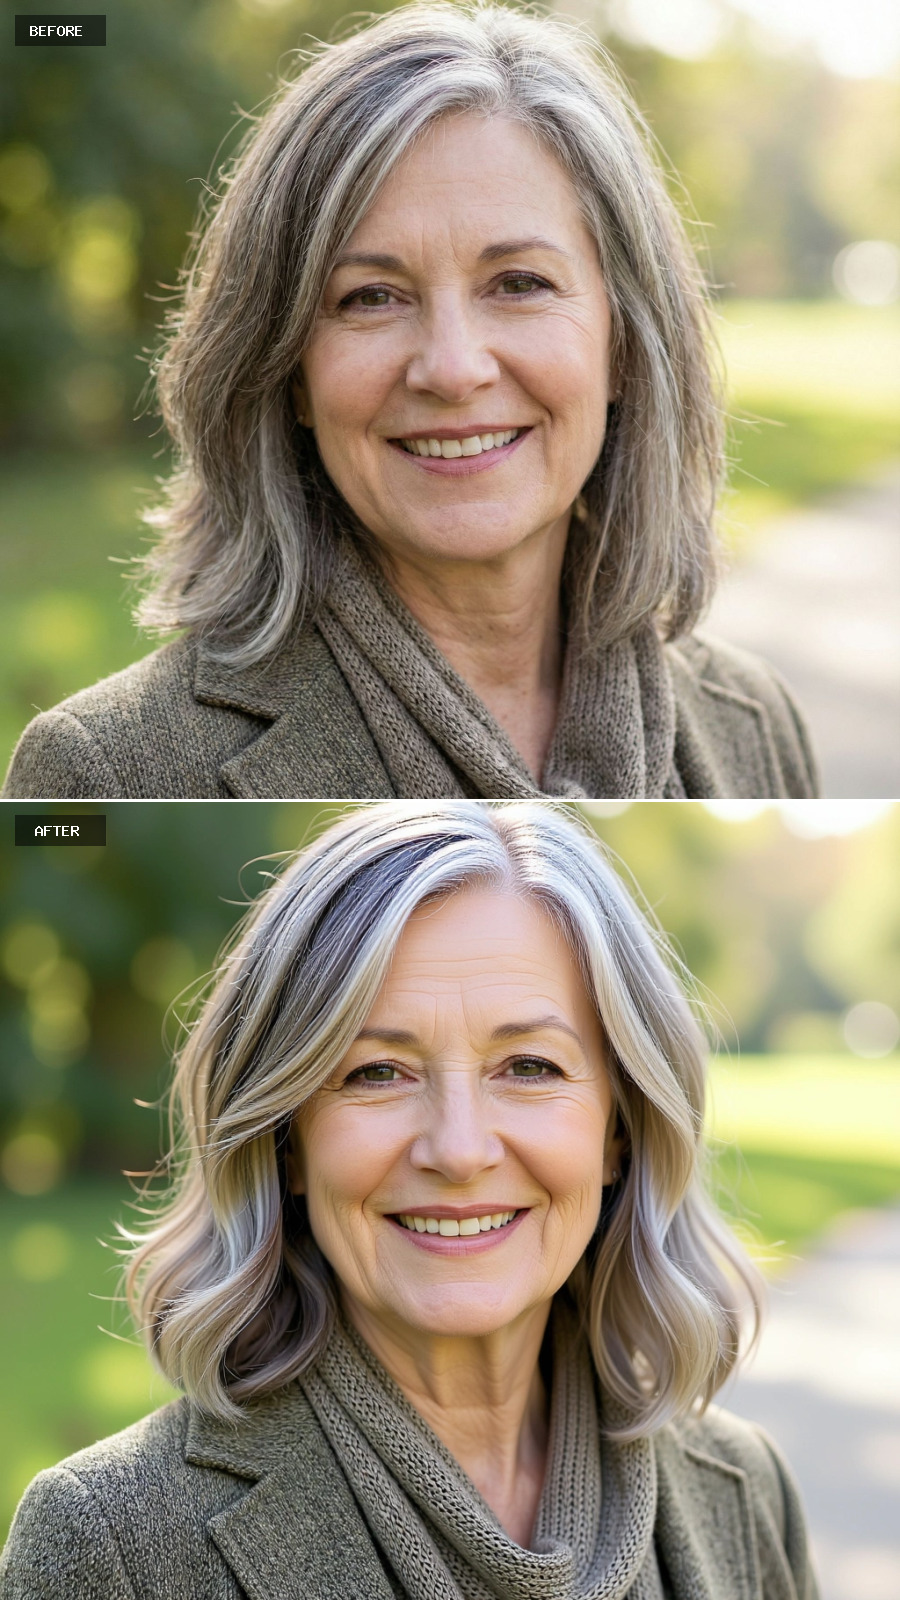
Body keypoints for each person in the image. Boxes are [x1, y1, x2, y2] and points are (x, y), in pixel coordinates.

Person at [0, 802, 818, 1598]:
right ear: (285, 1141)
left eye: (529, 1067)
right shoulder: (110, 1543)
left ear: (620, 1133)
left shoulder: (746, 1492)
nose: (459, 1151)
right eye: (376, 1073)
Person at [3, 4, 818, 802]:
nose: (453, 368)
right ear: (288, 372)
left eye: (520, 283)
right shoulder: (104, 773)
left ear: (626, 346)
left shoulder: (754, 722)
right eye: (371, 298)